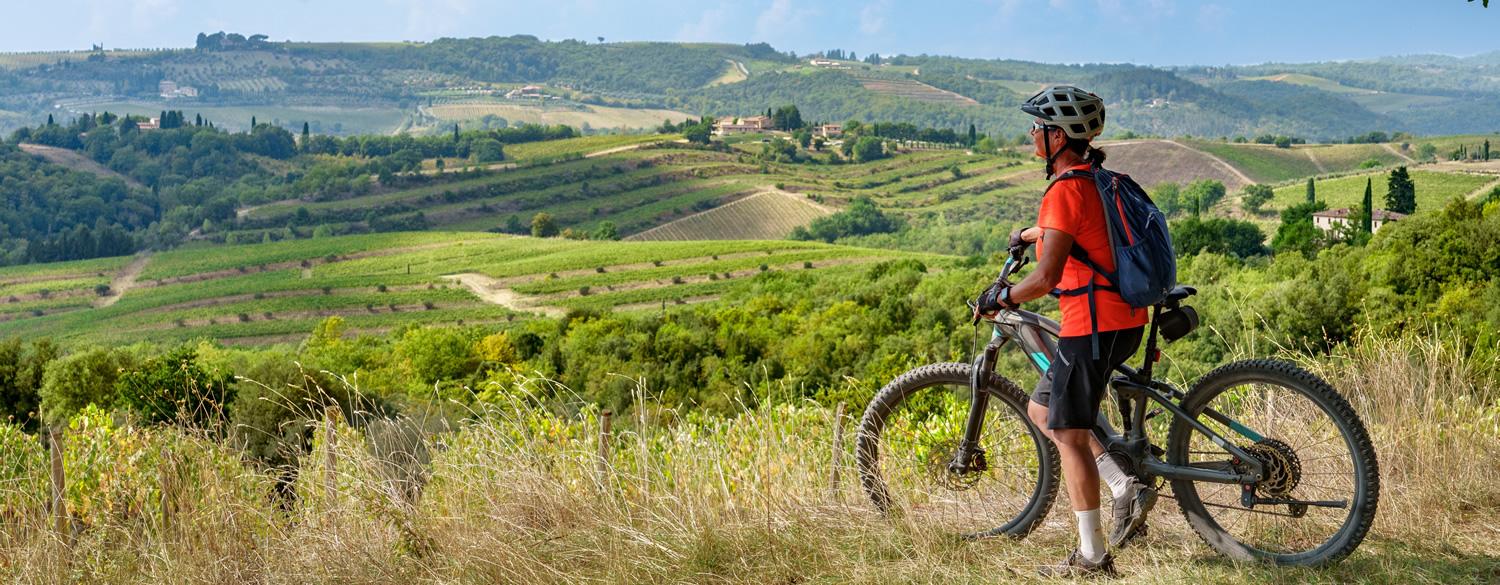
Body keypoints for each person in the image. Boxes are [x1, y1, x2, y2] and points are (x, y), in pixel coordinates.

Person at [976, 85, 1156, 578]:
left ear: (1058, 136)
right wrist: (1033, 234)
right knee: (1042, 408)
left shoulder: (1062, 190)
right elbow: (1082, 233)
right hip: (1122, 319)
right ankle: (1123, 483)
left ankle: (1093, 558)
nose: (1032, 134)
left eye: (1038, 127)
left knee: (1067, 433)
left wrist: (1001, 297)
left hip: (1092, 326)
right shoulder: (1094, 179)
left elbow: (1046, 279)